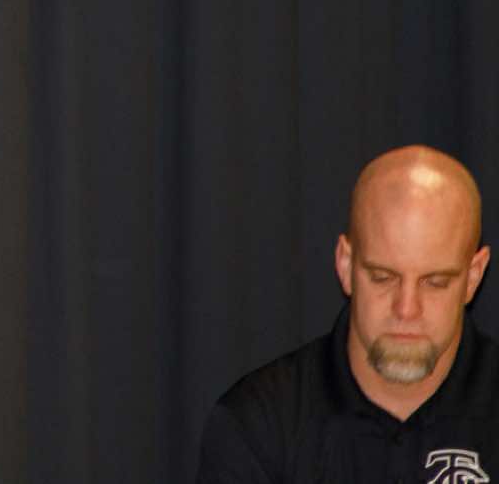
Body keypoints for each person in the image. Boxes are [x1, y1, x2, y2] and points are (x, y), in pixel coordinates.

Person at [198, 145, 496, 483]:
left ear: (474, 276)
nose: (406, 309)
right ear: (345, 264)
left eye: (435, 282)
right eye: (383, 277)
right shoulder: (260, 423)